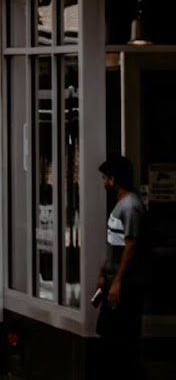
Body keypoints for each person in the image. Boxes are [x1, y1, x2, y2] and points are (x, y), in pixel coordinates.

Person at [97, 155, 147, 379]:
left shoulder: (131, 207)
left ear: (114, 179)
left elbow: (131, 245)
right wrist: (104, 272)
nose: (103, 182)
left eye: (105, 177)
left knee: (123, 336)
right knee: (109, 333)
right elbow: (114, 244)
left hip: (125, 284)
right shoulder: (121, 204)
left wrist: (117, 281)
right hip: (113, 279)